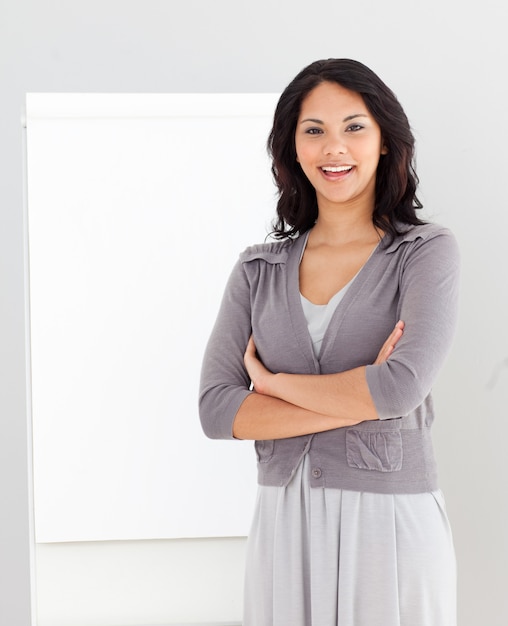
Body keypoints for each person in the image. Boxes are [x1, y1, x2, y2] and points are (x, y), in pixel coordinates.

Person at [199, 58, 459, 626]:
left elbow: (399, 389)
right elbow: (217, 409)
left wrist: (271, 386)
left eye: (354, 127)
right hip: (284, 522)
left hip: (388, 522)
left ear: (386, 141)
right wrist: (357, 398)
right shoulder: (257, 270)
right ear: (292, 148)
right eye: (313, 130)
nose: (333, 148)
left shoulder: (425, 253)